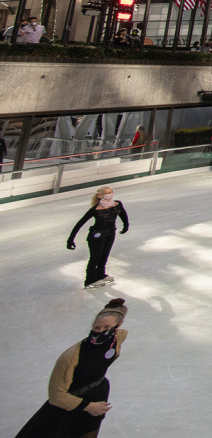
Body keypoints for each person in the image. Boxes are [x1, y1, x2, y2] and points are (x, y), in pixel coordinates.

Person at [15, 298, 129, 438]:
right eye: (96, 328)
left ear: (118, 325)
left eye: (106, 327)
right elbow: (56, 396)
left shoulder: (119, 337)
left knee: (89, 431)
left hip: (98, 393)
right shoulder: (70, 357)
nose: (100, 332)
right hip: (69, 404)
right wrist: (90, 406)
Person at [67, 186, 130, 289]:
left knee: (105, 255)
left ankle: (101, 274)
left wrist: (126, 225)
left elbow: (123, 214)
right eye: (107, 193)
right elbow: (79, 224)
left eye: (111, 192)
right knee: (95, 257)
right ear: (100, 196)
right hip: (97, 236)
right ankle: (89, 280)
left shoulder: (117, 204)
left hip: (110, 233)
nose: (110, 194)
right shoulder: (95, 209)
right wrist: (70, 240)